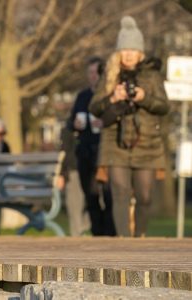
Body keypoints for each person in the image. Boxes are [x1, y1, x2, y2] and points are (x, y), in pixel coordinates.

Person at [89, 16, 169, 237]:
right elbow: (94, 107)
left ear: (140, 51)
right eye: (125, 49)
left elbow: (164, 107)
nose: (129, 54)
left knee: (145, 196)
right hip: (115, 143)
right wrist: (112, 99)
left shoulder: (152, 75)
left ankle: (140, 235)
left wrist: (144, 97)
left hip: (147, 144)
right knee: (120, 193)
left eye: (133, 49)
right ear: (119, 52)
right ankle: (124, 240)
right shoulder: (109, 75)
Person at [68, 57, 116, 236]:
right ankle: (97, 234)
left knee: (108, 197)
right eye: (91, 73)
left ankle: (110, 234)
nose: (94, 76)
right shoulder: (82, 97)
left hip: (105, 152)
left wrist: (105, 123)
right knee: (90, 197)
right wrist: (75, 124)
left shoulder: (110, 96)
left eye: (97, 72)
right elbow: (70, 123)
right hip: (85, 152)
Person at [57, 126, 90, 236]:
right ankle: (77, 233)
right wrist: (61, 173)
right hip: (74, 169)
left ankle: (79, 228)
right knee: (75, 205)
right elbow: (64, 152)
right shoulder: (68, 128)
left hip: (90, 168)